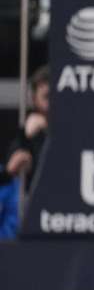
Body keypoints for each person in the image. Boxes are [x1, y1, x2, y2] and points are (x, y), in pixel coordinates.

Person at [4, 66, 49, 194]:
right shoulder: (28, 131)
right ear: (35, 100)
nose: (53, 102)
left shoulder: (74, 129)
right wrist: (26, 137)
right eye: (46, 97)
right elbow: (9, 174)